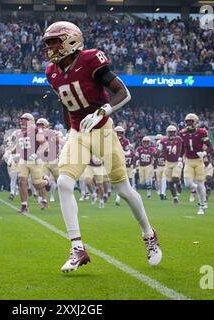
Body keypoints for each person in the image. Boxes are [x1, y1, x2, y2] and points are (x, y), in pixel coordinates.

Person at [43, 21, 161, 272]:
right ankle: (77, 248)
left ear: (71, 41)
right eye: (49, 42)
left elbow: (124, 93)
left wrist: (103, 110)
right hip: (78, 133)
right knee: (64, 183)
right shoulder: (51, 72)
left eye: (55, 41)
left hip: (103, 131)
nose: (51, 47)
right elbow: (66, 104)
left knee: (124, 190)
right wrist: (69, 131)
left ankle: (149, 234)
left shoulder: (89, 59)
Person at [179, 114, 214, 214]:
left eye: (191, 121)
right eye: (187, 121)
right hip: (189, 160)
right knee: (188, 183)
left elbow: (210, 147)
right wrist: (180, 158)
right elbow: (182, 147)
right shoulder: (182, 133)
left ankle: (202, 206)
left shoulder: (201, 132)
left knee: (200, 184)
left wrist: (204, 153)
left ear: (195, 122)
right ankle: (197, 190)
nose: (188, 123)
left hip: (199, 161)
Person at [159, 125, 184, 205]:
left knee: (175, 178)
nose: (172, 134)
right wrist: (157, 153)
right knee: (170, 182)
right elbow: (159, 150)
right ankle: (175, 197)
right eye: (170, 132)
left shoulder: (179, 139)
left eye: (173, 132)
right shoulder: (163, 140)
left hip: (177, 161)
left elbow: (183, 148)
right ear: (167, 133)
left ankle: (179, 183)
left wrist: (181, 157)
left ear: (175, 132)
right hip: (168, 162)